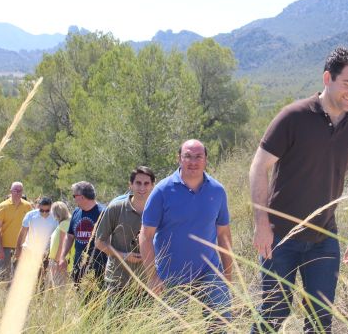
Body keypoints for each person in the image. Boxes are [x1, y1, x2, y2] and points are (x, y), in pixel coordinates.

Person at [249, 46, 348, 333]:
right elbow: (258, 167)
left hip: (325, 238)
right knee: (273, 314)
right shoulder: (293, 117)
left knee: (320, 321)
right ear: (328, 77)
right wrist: (261, 224)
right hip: (280, 238)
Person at [140, 139, 232, 331]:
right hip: (171, 274)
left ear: (206, 159)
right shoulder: (162, 191)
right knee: (173, 328)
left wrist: (228, 275)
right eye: (187, 156)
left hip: (209, 271)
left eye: (198, 156)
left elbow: (223, 234)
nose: (193, 161)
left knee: (221, 322)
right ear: (179, 159)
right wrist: (152, 277)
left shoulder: (217, 191)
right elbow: (145, 236)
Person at [96, 166, 155, 305]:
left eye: (146, 183)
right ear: (130, 185)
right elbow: (99, 242)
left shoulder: (158, 211)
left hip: (147, 283)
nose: (142, 187)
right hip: (118, 281)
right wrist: (123, 255)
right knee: (115, 326)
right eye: (138, 183)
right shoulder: (115, 208)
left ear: (153, 185)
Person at [58, 181, 107, 285]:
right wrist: (62, 257)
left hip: (99, 269)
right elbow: (70, 236)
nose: (74, 199)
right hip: (78, 269)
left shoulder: (104, 213)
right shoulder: (76, 212)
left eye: (74, 196)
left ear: (82, 197)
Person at [15, 197, 59, 284]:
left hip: (45, 253)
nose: (44, 213)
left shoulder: (55, 218)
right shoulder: (30, 215)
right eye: (42, 210)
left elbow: (58, 236)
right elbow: (23, 232)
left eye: (47, 211)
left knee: (41, 277)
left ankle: (39, 295)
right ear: (38, 207)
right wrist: (18, 249)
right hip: (29, 250)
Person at [0, 182, 33, 279]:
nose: (18, 193)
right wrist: (0, 248)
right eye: (16, 190)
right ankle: (2, 293)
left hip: (22, 246)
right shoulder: (3, 206)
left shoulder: (27, 206)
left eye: (20, 190)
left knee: (19, 275)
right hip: (5, 246)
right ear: (11, 191)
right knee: (3, 273)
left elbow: (32, 226)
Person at [48, 201, 72, 287]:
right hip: (60, 259)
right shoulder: (68, 221)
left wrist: (57, 261)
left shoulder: (65, 223)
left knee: (59, 287)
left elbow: (62, 244)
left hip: (59, 260)